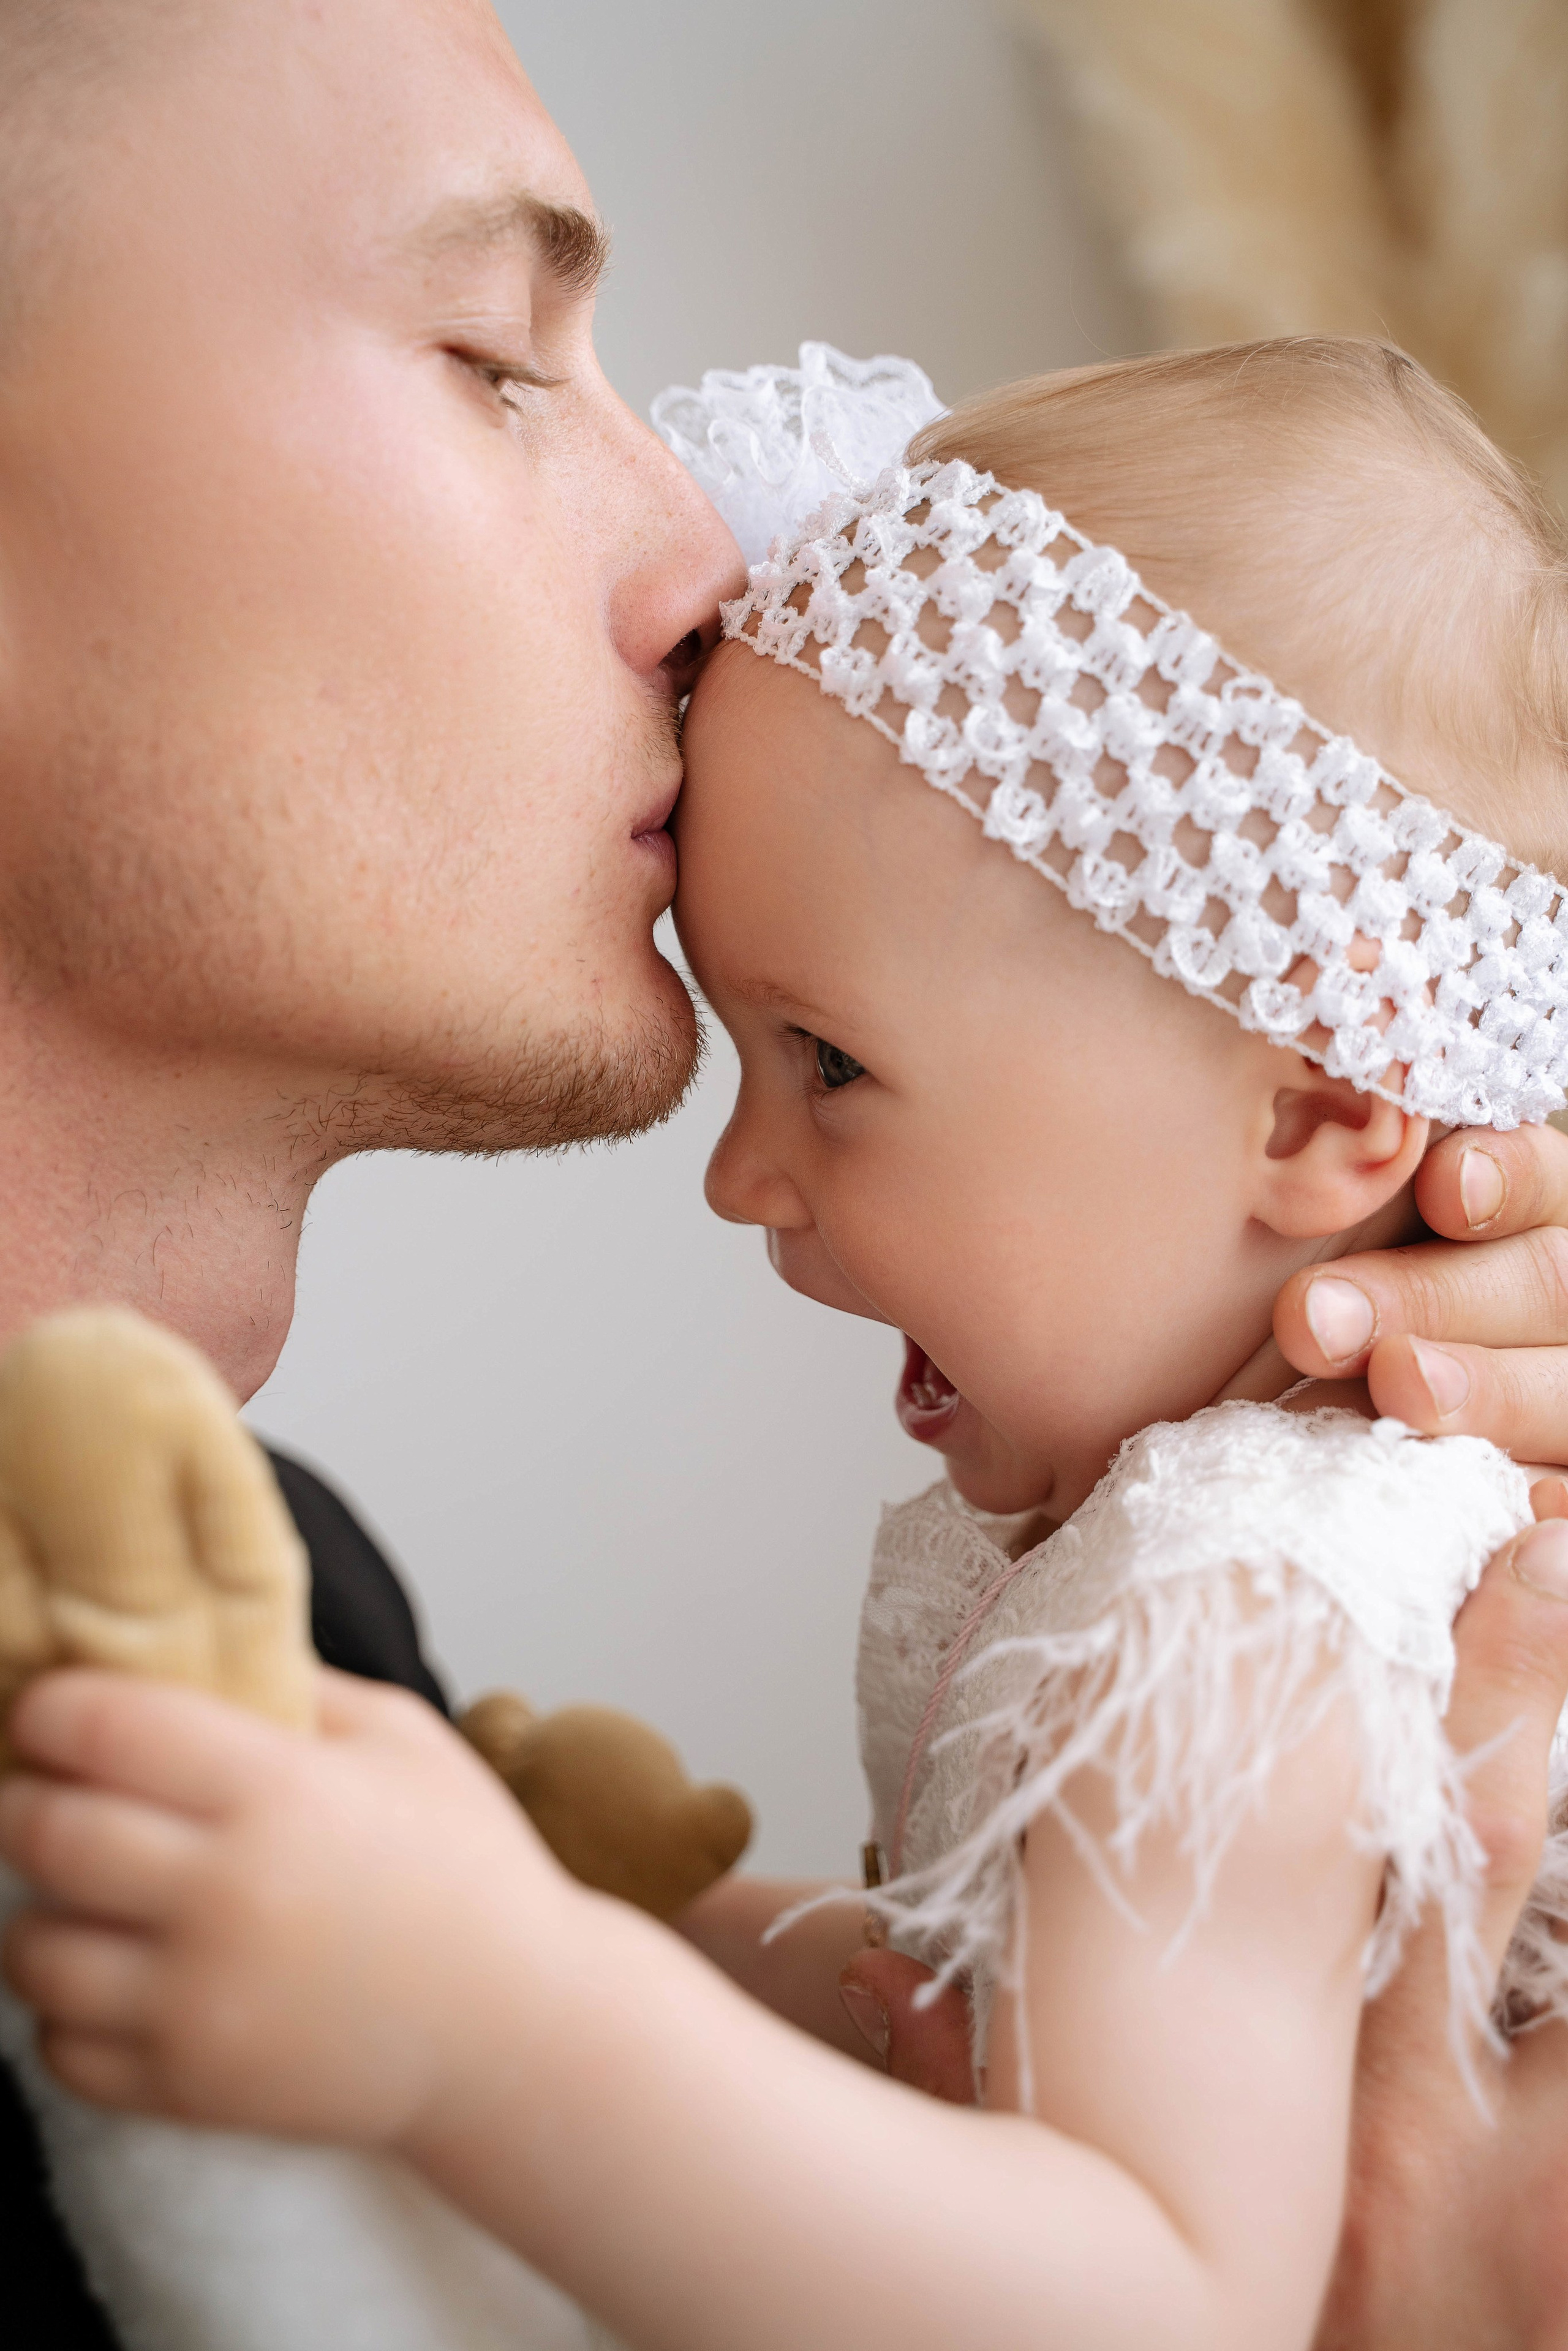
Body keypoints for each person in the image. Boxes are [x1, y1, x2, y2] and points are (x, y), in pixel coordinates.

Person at [0, 2, 1567, 2345]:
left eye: (833, 1061)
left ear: (1329, 1109)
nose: (703, 555)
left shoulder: (311, 1624)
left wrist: (555, 1958)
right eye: (496, 355)